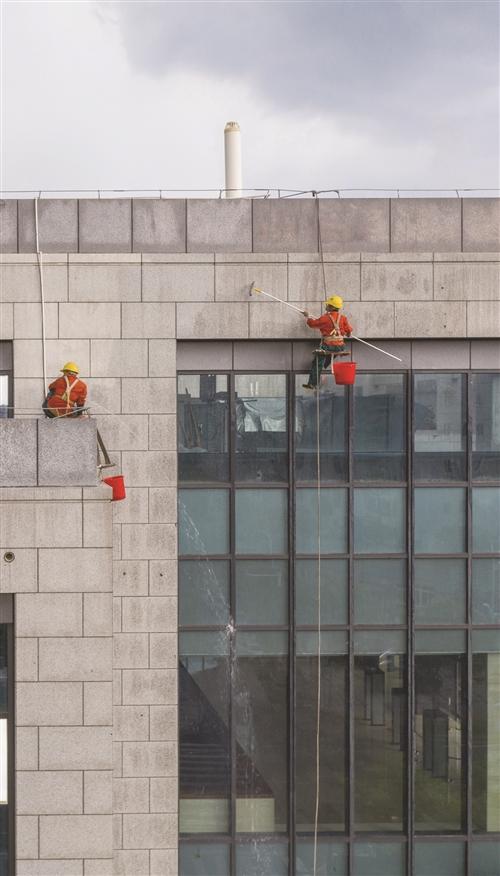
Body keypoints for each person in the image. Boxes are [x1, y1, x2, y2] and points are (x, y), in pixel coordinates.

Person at [302, 295, 353, 389]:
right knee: (327, 358)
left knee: (317, 363)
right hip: (340, 346)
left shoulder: (325, 318)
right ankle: (323, 368)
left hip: (328, 346)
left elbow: (312, 324)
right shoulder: (343, 318)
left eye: (328, 305)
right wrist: (345, 332)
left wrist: (308, 317)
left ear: (332, 307)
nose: (326, 306)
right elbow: (349, 332)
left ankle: (312, 383)